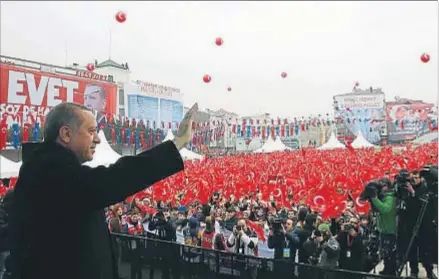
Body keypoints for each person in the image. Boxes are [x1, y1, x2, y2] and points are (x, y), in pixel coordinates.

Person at [10, 102, 198, 279]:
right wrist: (177, 143)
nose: (98, 139)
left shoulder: (50, 168)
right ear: (66, 134)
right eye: (91, 131)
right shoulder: (49, 172)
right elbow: (114, 178)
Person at [370, 179, 397, 276]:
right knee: (384, 252)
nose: (381, 188)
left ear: (388, 186)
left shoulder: (391, 197)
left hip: (390, 229)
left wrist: (375, 199)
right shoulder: (382, 196)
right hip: (383, 229)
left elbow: (385, 209)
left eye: (383, 186)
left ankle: (391, 271)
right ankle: (386, 269)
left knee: (390, 252)